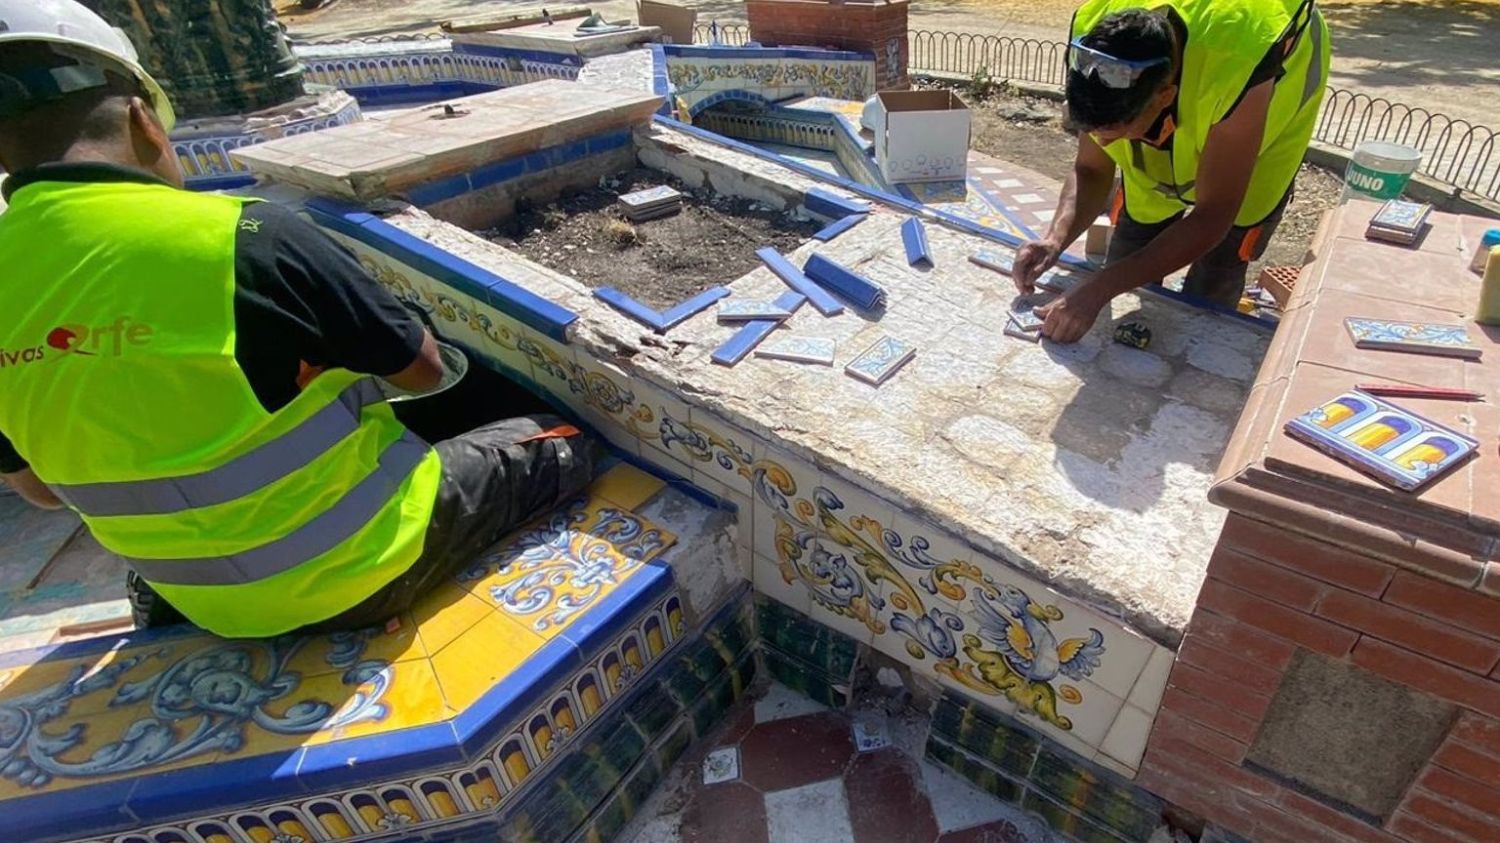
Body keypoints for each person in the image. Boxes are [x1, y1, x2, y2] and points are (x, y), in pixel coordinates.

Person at [0, 0, 596, 638]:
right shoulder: (246, 234)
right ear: (144, 120)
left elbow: (37, 489)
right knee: (561, 436)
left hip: (201, 600)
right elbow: (425, 372)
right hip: (363, 568)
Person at [1013, 0, 1331, 343]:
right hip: (1195, 90)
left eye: (1115, 132)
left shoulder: (1239, 64)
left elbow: (1213, 216)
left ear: (1164, 96)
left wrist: (1097, 289)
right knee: (1132, 241)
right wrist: (1055, 239)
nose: (1103, 145)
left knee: (1215, 275)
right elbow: (1091, 169)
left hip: (1264, 110)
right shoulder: (1096, 44)